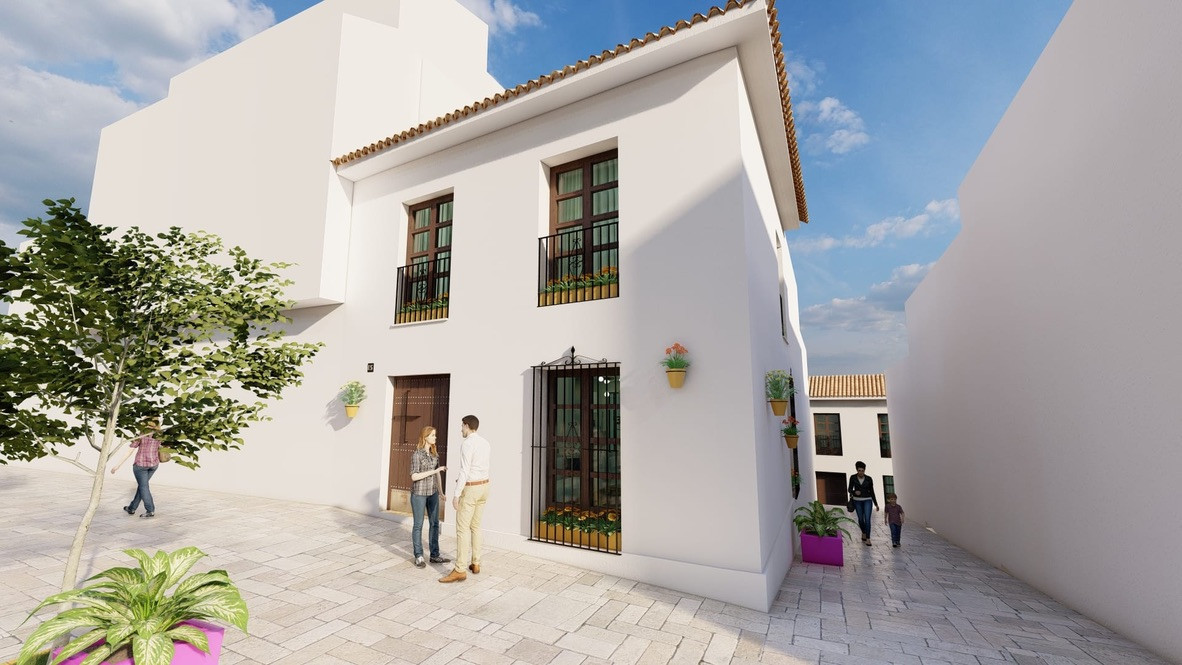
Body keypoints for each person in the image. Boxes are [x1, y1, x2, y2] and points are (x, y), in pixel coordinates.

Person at [439, 414, 489, 583]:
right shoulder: (485, 443)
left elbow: (465, 470)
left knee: (462, 529)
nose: (461, 429)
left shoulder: (467, 443)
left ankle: (460, 569)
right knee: (476, 526)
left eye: (462, 426)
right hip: (484, 487)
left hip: (471, 489)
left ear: (467, 426)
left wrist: (456, 494)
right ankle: (476, 563)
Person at [409, 426, 450, 568]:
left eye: (435, 435)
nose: (435, 437)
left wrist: (441, 492)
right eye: (432, 435)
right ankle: (419, 556)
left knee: (435, 523)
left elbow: (437, 474)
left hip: (433, 493)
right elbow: (414, 476)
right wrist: (434, 471)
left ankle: (434, 555)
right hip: (419, 494)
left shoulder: (434, 454)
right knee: (418, 525)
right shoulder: (417, 454)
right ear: (425, 437)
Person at [111, 418, 164, 518]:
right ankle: (132, 508)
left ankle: (150, 510)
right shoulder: (160, 434)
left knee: (143, 487)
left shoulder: (141, 434)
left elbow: (130, 450)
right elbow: (165, 447)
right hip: (154, 464)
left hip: (141, 465)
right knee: (142, 486)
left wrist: (118, 465)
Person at [847, 461, 879, 545]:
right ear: (857, 470)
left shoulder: (869, 478)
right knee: (861, 519)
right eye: (859, 470)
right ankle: (863, 532)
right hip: (857, 501)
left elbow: (872, 491)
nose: (861, 472)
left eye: (862, 471)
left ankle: (868, 538)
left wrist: (876, 503)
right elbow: (849, 489)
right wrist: (854, 492)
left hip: (868, 500)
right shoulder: (853, 477)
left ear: (864, 470)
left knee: (867, 519)